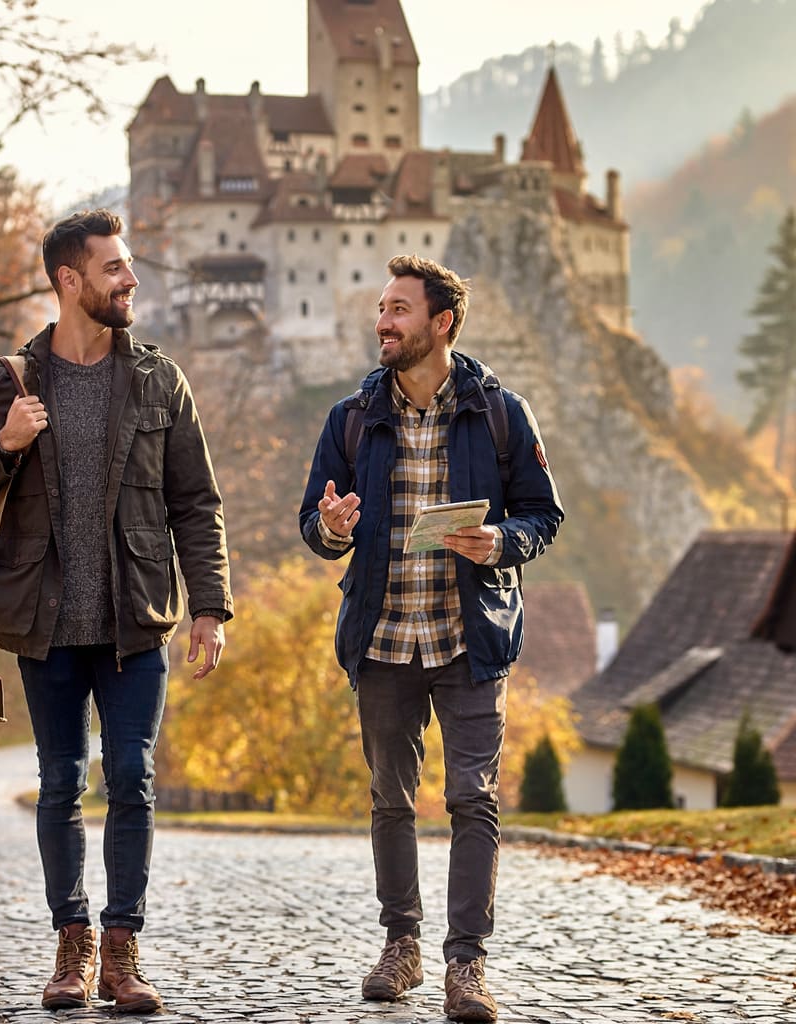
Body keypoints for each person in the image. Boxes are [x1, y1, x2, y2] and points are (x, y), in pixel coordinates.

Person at [0, 210, 233, 1013]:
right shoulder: (9, 382)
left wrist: (210, 609)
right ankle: (73, 946)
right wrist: (3, 446)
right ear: (69, 280)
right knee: (61, 784)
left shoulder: (160, 380)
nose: (129, 279)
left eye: (127, 266)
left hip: (137, 622)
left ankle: (123, 952)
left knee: (132, 776)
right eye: (113, 269)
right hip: (45, 625)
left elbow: (196, 504)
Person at [299, 254, 563, 1023]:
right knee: (390, 799)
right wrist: (331, 526)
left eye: (399, 310)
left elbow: (543, 515)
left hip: (470, 637)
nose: (383, 322)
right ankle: (402, 946)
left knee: (473, 797)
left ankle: (467, 965)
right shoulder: (350, 418)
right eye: (381, 309)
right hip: (382, 638)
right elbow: (313, 524)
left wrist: (501, 542)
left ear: (441, 322)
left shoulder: (501, 413)